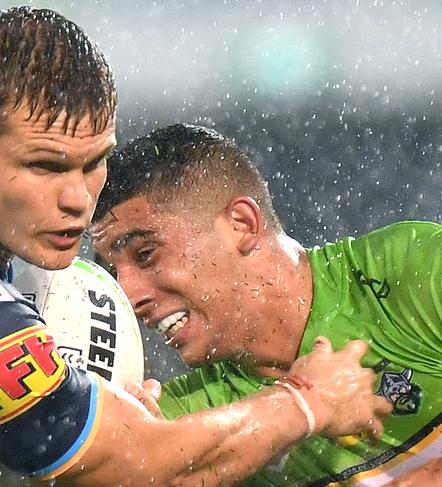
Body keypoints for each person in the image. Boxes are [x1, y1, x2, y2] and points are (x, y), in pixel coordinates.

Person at [0, 8, 390, 486]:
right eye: (45, 166)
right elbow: (145, 470)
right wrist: (306, 403)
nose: (78, 200)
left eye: (95, 161)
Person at [91, 123, 442, 486]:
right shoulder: (182, 417)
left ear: (241, 224)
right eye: (115, 273)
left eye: (145, 254)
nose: (128, 297)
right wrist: (302, 404)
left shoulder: (410, 271)